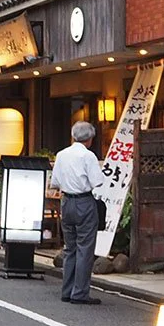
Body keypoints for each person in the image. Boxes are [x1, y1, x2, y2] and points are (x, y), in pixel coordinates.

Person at [49, 120, 104, 306]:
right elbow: (98, 181)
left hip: (66, 202)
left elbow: (55, 182)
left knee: (70, 248)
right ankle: (79, 292)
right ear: (89, 139)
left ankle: (67, 290)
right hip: (84, 202)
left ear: (73, 136)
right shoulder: (88, 156)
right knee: (85, 249)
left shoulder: (62, 154)